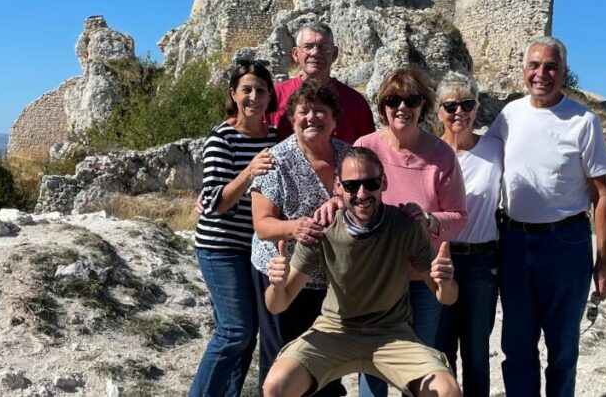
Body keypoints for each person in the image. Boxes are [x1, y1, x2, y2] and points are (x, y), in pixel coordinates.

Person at [261, 147, 463, 397]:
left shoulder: (405, 227)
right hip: (334, 330)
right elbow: (277, 305)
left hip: (392, 333)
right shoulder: (321, 230)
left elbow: (447, 297)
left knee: (446, 391)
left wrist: (445, 281)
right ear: (338, 186)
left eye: (371, 183)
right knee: (276, 386)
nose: (362, 194)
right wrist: (277, 285)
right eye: (351, 186)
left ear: (384, 182)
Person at [486, 36, 606, 397]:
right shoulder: (509, 114)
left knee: (562, 350)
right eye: (534, 65)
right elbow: (477, 158)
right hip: (513, 241)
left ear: (563, 73)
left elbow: (602, 194)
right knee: (517, 347)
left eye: (551, 67)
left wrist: (604, 262)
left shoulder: (583, 121)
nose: (541, 73)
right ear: (523, 70)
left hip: (566, 244)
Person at [354, 66, 467, 397]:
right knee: (372, 366)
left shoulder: (441, 155)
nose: (401, 107)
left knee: (418, 368)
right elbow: (344, 196)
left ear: (423, 106)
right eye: (393, 99)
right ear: (383, 106)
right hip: (375, 277)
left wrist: (430, 221)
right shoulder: (366, 146)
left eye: (411, 99)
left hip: (423, 279)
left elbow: (459, 216)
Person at [250, 80, 349, 396]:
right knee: (283, 361)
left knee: (327, 362)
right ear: (292, 119)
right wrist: (296, 227)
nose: (312, 118)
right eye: (304, 112)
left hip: (333, 278)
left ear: (334, 119)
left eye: (321, 112)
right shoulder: (276, 160)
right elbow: (263, 225)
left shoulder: (348, 156)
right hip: (284, 274)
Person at [189, 60, 279, 397]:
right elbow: (215, 202)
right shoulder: (221, 138)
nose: (253, 96)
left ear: (269, 96)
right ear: (233, 94)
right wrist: (250, 172)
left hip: (255, 249)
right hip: (220, 247)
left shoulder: (273, 136)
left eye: (260, 90)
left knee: (249, 332)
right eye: (247, 90)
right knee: (234, 331)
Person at [433, 72, 502, 397]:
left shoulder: (495, 149)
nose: (458, 111)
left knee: (476, 356)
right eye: (450, 105)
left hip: (480, 263)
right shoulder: (429, 154)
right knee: (440, 355)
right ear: (438, 111)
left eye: (467, 104)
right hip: (435, 264)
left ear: (476, 109)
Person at [269, 22, 375, 143]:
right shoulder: (274, 96)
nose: (315, 53)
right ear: (296, 54)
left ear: (334, 54)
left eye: (323, 47)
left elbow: (368, 150)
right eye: (308, 46)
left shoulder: (355, 102)